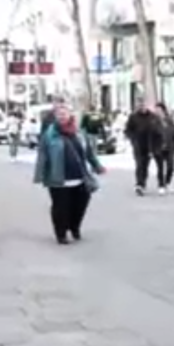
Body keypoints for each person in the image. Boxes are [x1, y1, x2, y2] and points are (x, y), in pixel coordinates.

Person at [34, 104, 106, 244]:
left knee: (81, 203)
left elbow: (89, 153)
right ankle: (61, 233)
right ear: (55, 116)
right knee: (60, 208)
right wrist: (40, 174)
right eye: (59, 114)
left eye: (64, 113)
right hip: (58, 178)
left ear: (70, 115)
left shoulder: (79, 133)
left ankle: (74, 227)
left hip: (79, 176)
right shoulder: (49, 135)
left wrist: (97, 166)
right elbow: (42, 155)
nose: (62, 116)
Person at [125, 99, 162, 196]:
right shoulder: (133, 117)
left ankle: (143, 183)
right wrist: (132, 139)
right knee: (139, 164)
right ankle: (139, 184)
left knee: (145, 166)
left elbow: (158, 131)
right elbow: (128, 130)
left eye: (143, 105)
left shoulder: (153, 117)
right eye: (140, 105)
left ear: (147, 105)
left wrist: (157, 143)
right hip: (138, 145)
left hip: (149, 145)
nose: (142, 107)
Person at [153, 103, 174, 195]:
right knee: (160, 168)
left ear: (163, 110)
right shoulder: (153, 122)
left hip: (170, 147)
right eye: (156, 110)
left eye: (159, 110)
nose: (157, 112)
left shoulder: (169, 120)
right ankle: (161, 185)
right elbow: (150, 136)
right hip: (158, 148)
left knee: (171, 166)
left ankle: (167, 182)